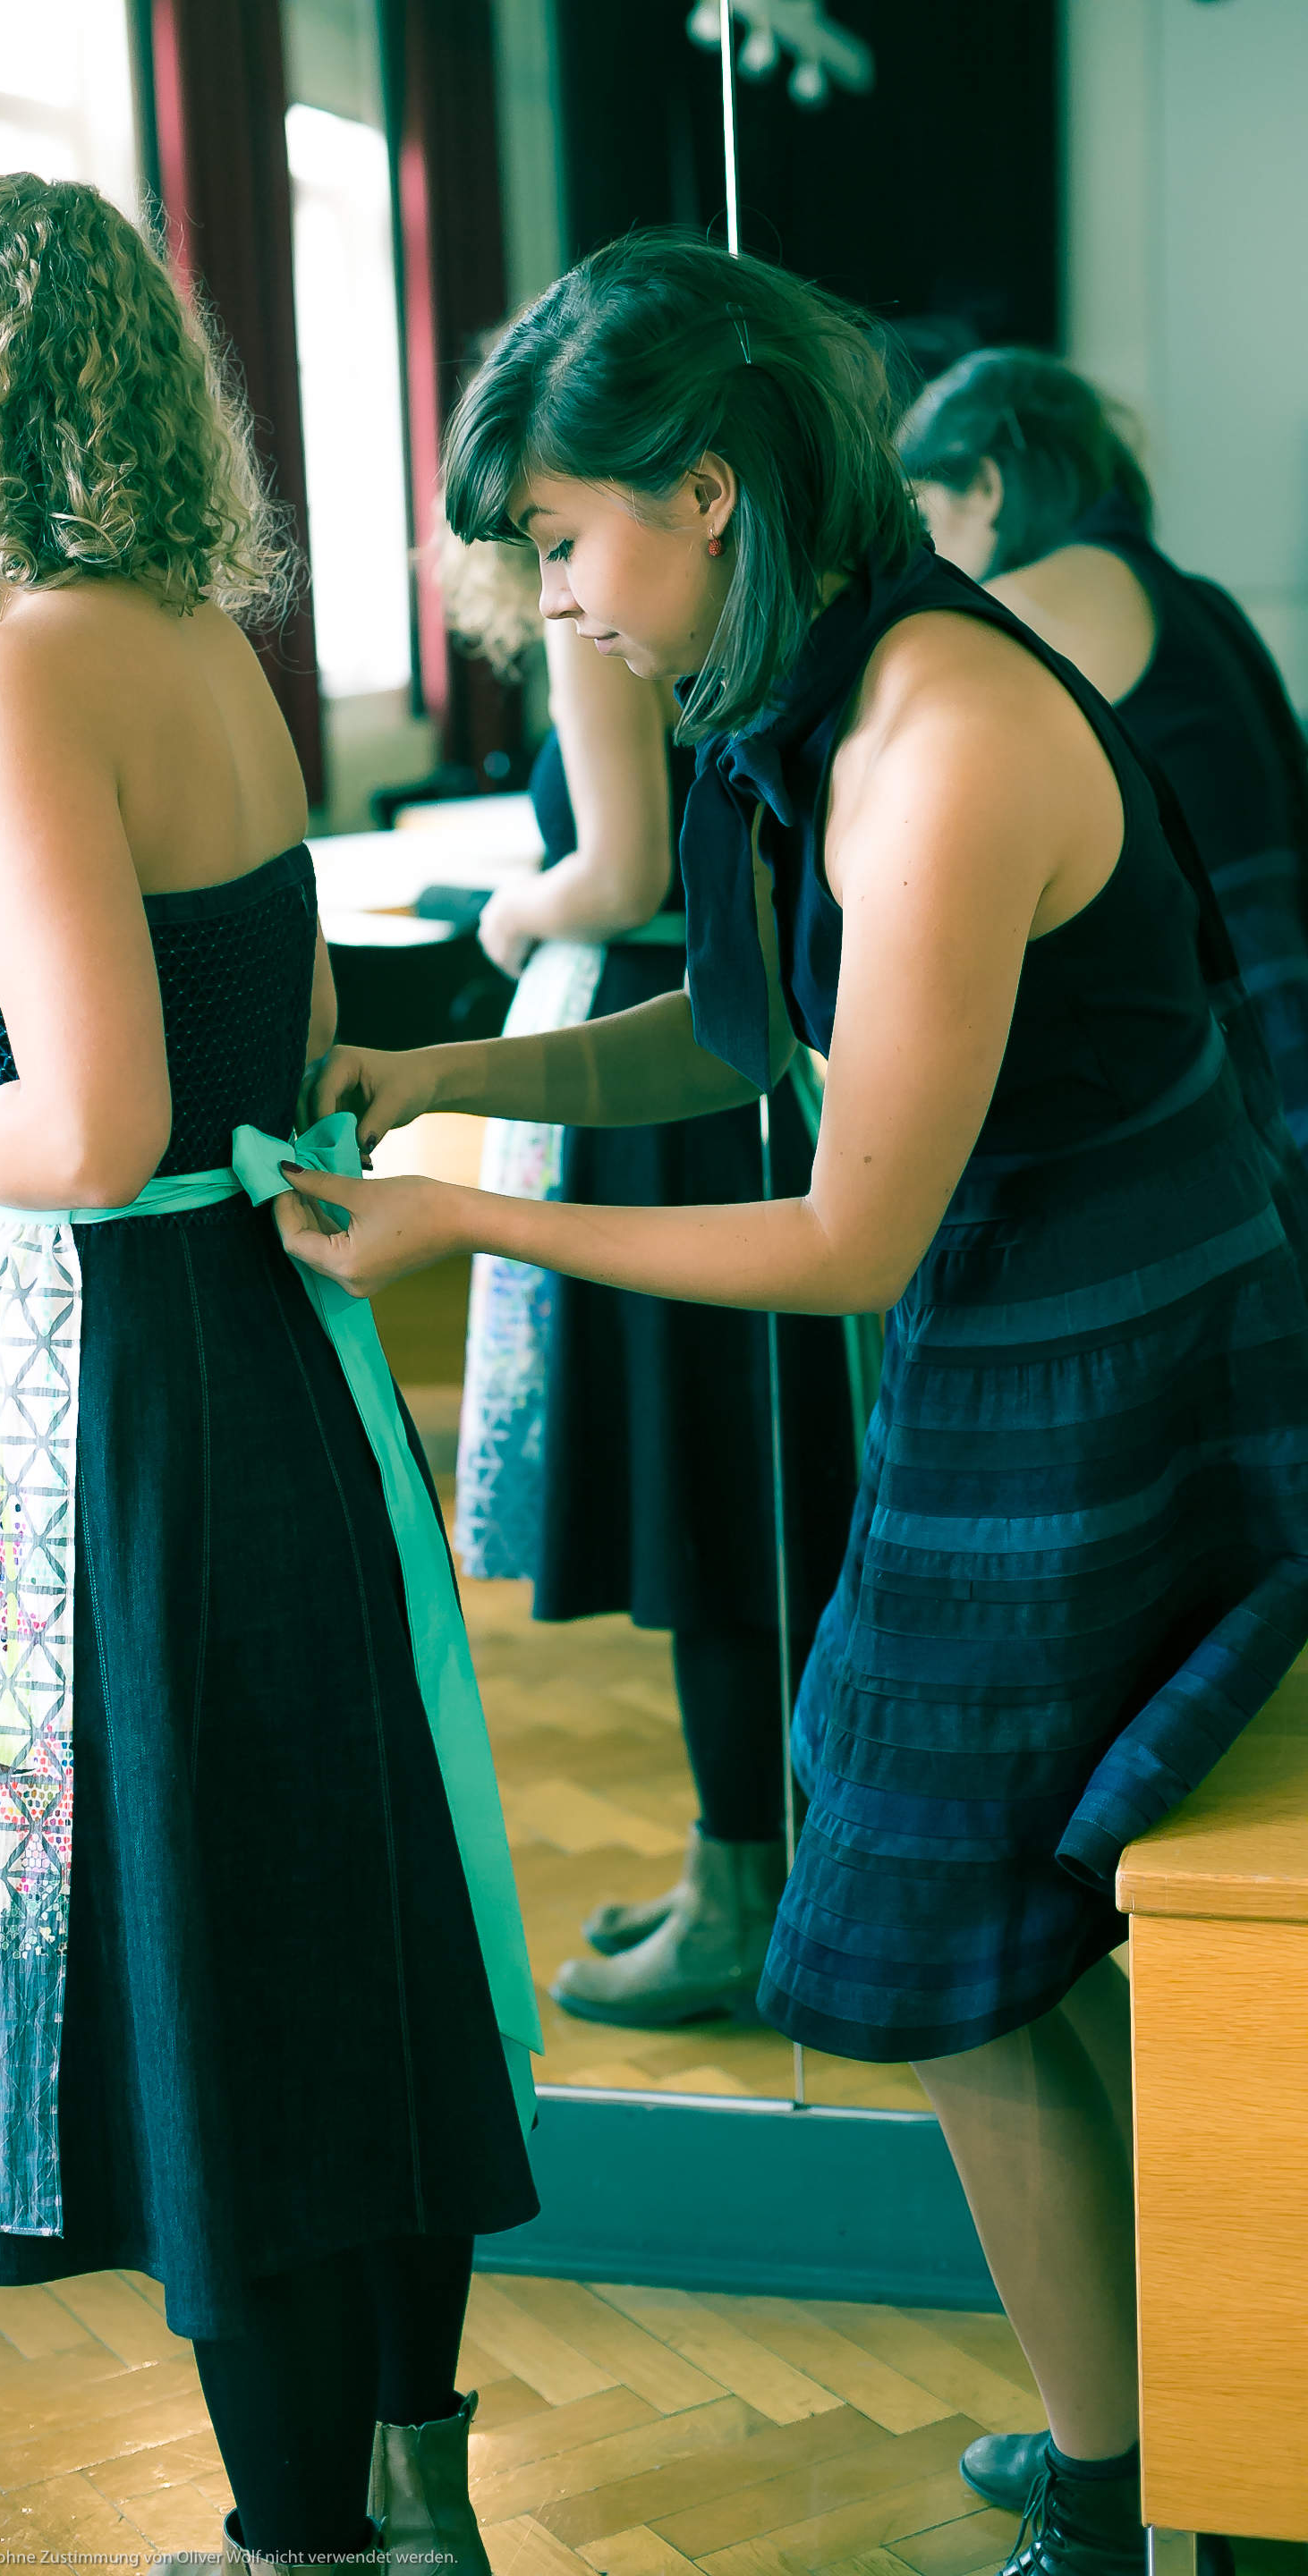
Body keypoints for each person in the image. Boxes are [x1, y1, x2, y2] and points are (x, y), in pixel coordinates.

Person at [272, 233, 1308, 2576]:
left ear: (709, 490)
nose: (561, 603)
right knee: (973, 1934)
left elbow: (841, 1226)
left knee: (938, 1922)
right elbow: (740, 1039)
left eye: (562, 539)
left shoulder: (941, 734)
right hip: (1026, 1331)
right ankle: (1149, 2448)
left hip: (1122, 1354)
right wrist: (450, 1064)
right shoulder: (809, 710)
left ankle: (1142, 2489)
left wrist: (476, 1221)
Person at [0, 166, 539, 2576]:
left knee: (212, 1956)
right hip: (280, 1365)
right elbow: (288, 1048)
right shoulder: (215, 656)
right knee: (341, 1922)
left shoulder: (14, 679)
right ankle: (409, 2483)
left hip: (124, 1397)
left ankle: (290, 2536)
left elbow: (97, 1120)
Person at [442, 533, 856, 2026]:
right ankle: (761, 1867)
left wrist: (508, 911)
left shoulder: (601, 612)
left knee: (712, 1516)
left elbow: (615, 872)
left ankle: (742, 1889)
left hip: (666, 1057)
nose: (557, 581)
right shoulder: (749, 597)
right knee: (756, 1503)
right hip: (735, 1056)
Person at [903, 348, 1308, 1153]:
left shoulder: (1031, 599)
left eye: (923, 518)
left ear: (985, 487)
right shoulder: (1191, 595)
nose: (925, 555)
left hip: (1254, 1036)